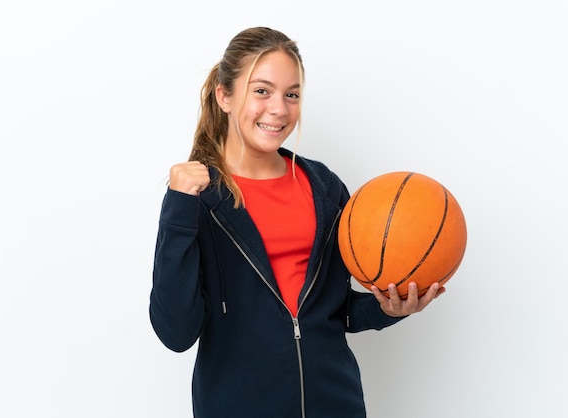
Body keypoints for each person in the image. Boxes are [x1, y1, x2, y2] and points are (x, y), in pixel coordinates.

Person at [149, 26, 445, 418]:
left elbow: (335, 312)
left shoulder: (323, 187)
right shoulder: (197, 198)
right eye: (261, 91)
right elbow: (176, 331)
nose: (279, 108)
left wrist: (388, 310)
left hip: (336, 405)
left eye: (292, 94)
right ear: (224, 95)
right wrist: (177, 211)